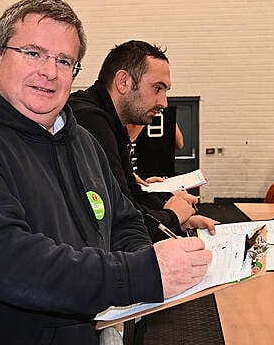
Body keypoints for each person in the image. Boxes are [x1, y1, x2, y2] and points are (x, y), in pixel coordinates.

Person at [0, 0, 212, 344]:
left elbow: (124, 221)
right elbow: (13, 265)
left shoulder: (83, 143)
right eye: (33, 53)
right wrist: (140, 273)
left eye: (64, 61)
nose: (50, 71)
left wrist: (145, 260)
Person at [68, 41, 218, 241]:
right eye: (157, 88)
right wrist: (171, 217)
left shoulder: (111, 122)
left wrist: (182, 219)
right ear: (123, 82)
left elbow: (131, 193)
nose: (163, 102)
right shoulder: (89, 120)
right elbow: (118, 217)